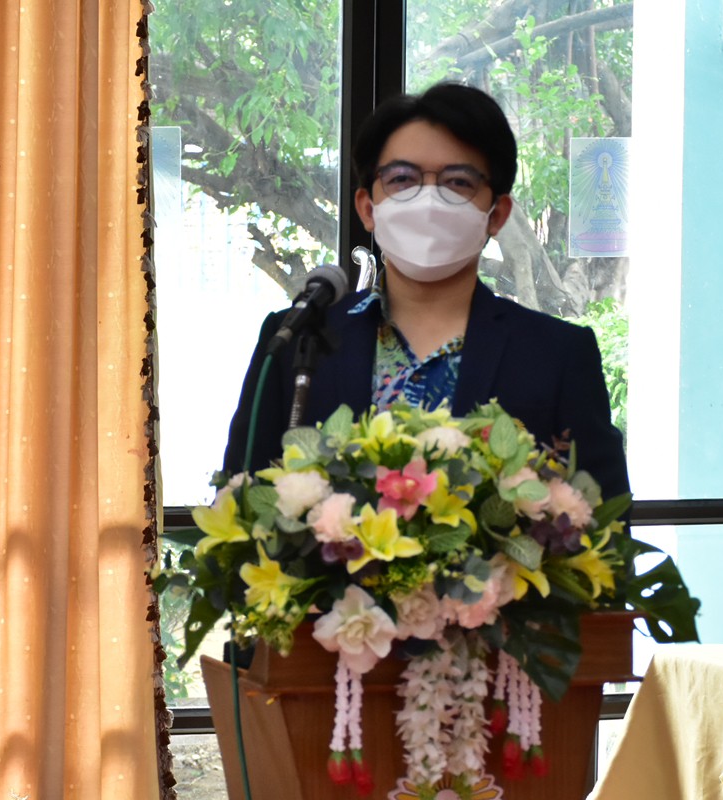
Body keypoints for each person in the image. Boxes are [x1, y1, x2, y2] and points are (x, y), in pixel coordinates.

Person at [221, 81, 630, 503]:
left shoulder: (558, 354)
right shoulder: (295, 341)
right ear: (367, 208)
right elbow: (239, 505)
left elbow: (603, 522)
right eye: (402, 179)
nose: (429, 200)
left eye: (458, 182)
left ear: (497, 214)